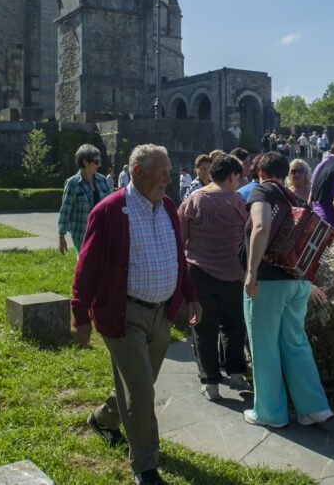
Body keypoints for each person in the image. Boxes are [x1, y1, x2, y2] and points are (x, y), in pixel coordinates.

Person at [72, 145, 202, 485]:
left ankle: (103, 420)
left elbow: (178, 255)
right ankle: (145, 466)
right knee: (142, 391)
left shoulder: (169, 207)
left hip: (162, 314)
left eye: (169, 170)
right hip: (123, 313)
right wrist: (80, 315)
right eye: (162, 171)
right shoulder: (109, 211)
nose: (169, 177)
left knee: (138, 384)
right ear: (138, 173)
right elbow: (86, 269)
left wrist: (190, 295)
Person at [243, 151, 334, 428]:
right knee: (296, 343)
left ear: (260, 172)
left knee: (265, 346)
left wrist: (251, 272)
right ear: (285, 173)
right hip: (298, 280)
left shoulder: (262, 191)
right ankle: (314, 408)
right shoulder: (295, 198)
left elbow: (261, 226)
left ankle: (270, 413)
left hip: (269, 281)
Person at [179, 154, 250, 401]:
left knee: (204, 327)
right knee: (234, 325)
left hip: (199, 271)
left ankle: (210, 381)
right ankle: (237, 372)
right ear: (232, 176)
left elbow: (181, 237)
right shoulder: (238, 202)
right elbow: (249, 233)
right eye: (238, 177)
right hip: (232, 273)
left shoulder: (194, 199)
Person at [58, 144, 111, 255]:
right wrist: (61, 236)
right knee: (86, 266)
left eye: (100, 161)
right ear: (85, 162)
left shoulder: (102, 180)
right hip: (81, 233)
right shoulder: (72, 183)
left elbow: (110, 206)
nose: (99, 164)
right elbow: (65, 210)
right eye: (96, 162)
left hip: (102, 231)